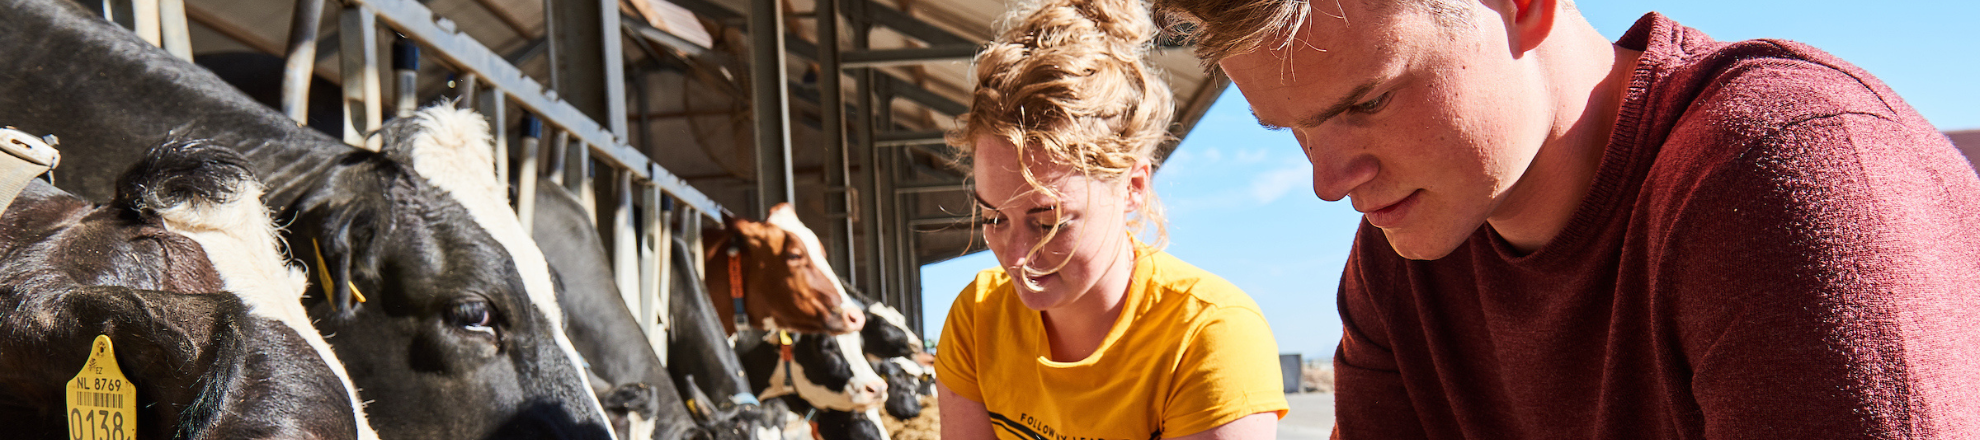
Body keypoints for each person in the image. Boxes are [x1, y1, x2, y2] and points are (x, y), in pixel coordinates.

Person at [1148, 0, 1980, 437]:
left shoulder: (1783, 178)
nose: (1329, 183)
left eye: (1367, 102)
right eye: (1291, 130)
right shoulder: (1402, 260)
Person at [934, 0, 1289, 439]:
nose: (1018, 257)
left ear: (1133, 187)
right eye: (994, 219)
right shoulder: (978, 317)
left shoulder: (1207, 334)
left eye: (1048, 223)